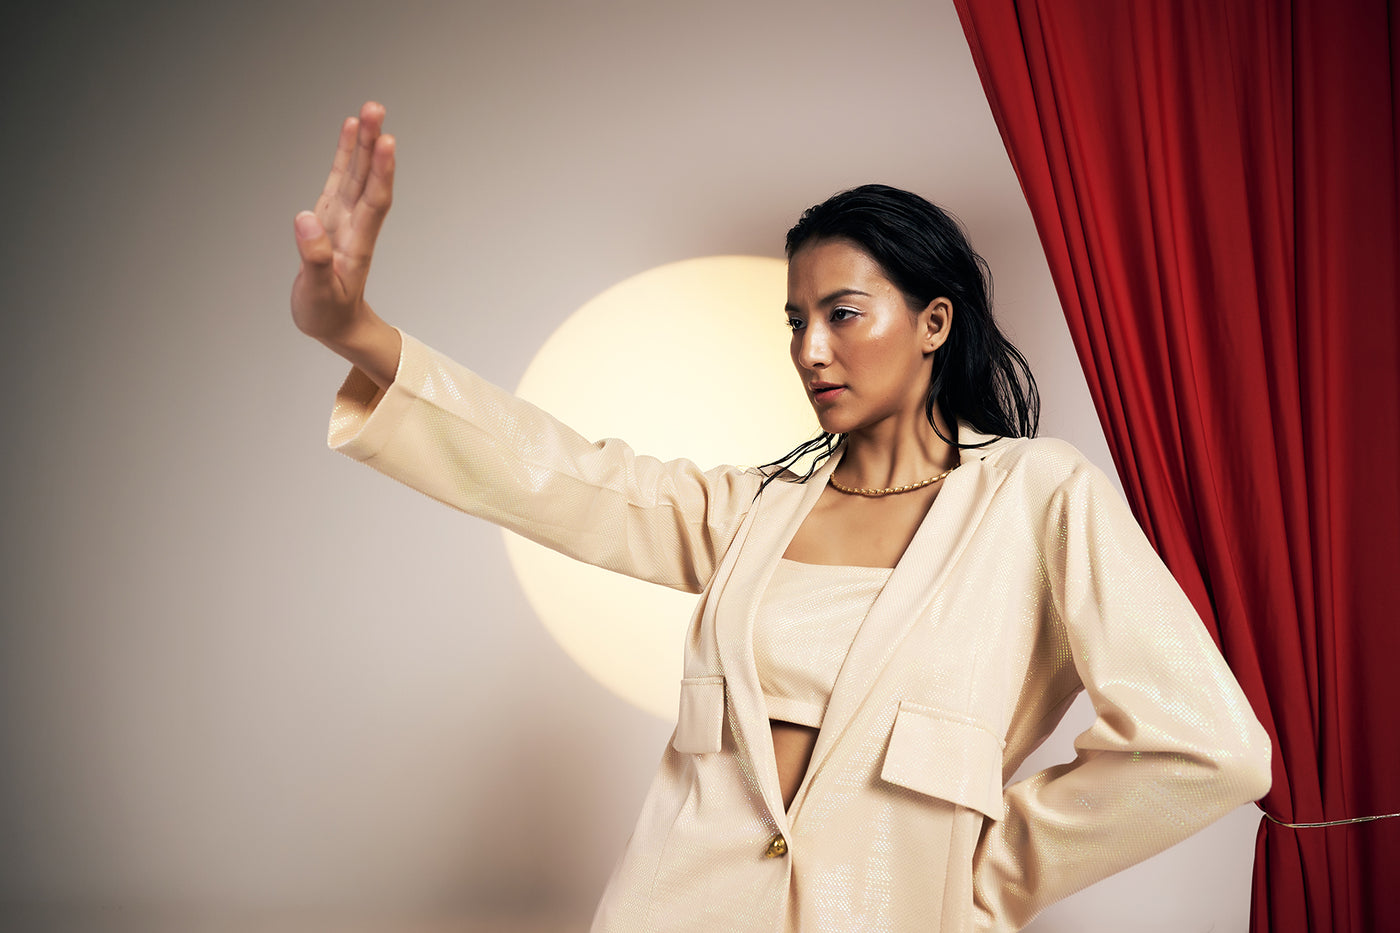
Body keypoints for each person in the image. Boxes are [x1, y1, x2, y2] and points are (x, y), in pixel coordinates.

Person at [292, 101, 1271, 933]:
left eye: (842, 313)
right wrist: (357, 331)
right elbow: (564, 478)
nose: (810, 349)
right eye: (796, 321)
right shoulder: (755, 509)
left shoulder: (1037, 496)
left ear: (933, 323)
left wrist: (986, 874)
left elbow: (1208, 747)